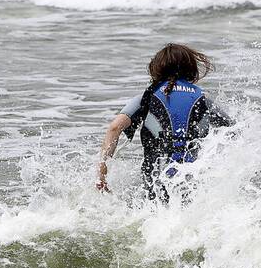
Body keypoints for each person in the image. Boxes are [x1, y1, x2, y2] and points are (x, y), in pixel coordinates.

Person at [97, 44, 234, 200]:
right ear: (191, 70)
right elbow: (233, 130)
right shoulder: (203, 100)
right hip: (190, 184)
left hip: (155, 184)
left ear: (156, 69)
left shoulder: (147, 98)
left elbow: (115, 128)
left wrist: (102, 173)